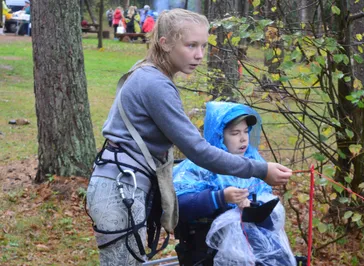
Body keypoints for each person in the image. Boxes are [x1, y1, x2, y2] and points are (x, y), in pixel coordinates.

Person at [86, 8, 292, 266]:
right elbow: (198, 150)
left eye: (203, 45)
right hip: (120, 188)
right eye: (191, 45)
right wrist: (260, 170)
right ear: (165, 44)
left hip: (122, 183)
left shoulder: (148, 73)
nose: (199, 55)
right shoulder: (155, 83)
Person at [173, 101, 297, 266]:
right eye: (234, 133)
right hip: (212, 248)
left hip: (253, 245)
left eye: (246, 131)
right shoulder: (197, 166)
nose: (243, 138)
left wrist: (255, 207)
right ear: (219, 135)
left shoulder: (255, 163)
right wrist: (221, 197)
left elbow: (268, 222)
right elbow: (179, 207)